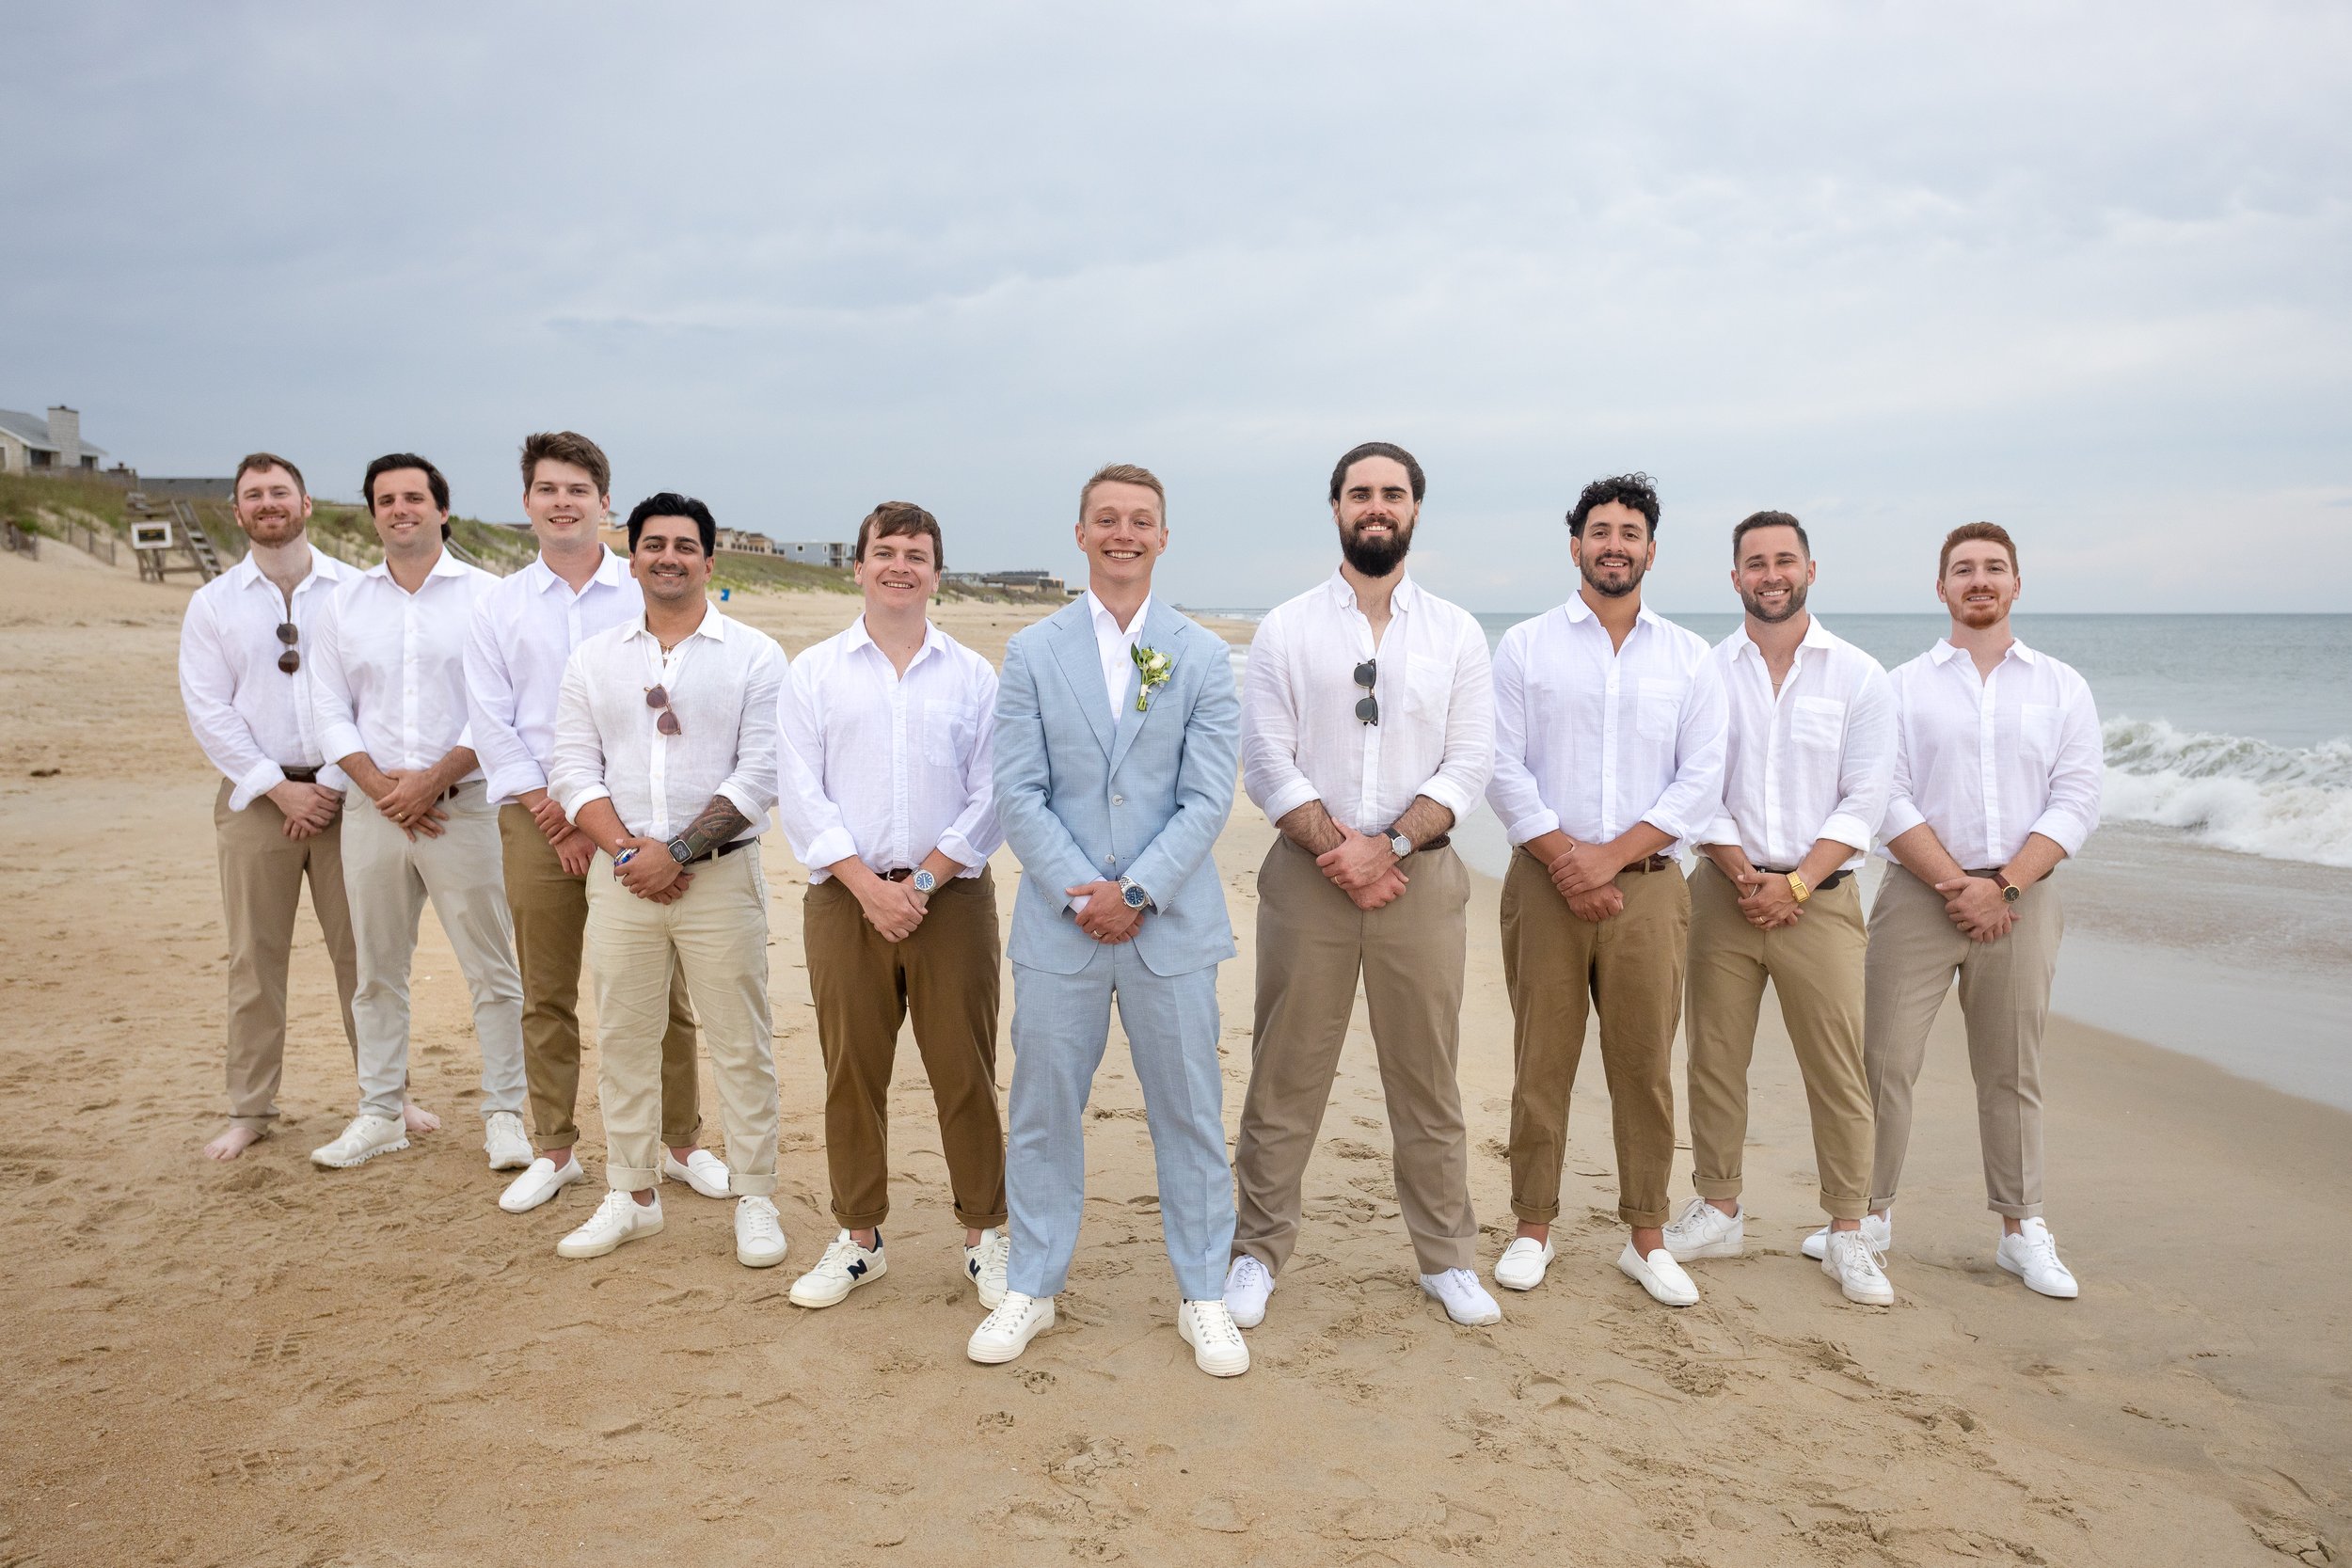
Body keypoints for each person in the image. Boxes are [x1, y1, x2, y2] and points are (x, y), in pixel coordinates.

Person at [968, 463, 1248, 1377]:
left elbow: (1208, 797)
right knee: (1043, 1109)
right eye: (1107, 519)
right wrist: (1083, 887)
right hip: (1060, 925)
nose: (1123, 533)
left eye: (1141, 520)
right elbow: (1018, 790)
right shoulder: (1032, 652)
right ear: (1081, 533)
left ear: (1163, 537)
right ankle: (1034, 1284)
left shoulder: (1200, 655)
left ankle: (1203, 1292)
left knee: (1191, 1115)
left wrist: (1137, 892)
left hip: (1169, 927)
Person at [1226, 441, 1500, 1331]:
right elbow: (1265, 756)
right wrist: (1339, 846)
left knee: (1427, 1078)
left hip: (1419, 880)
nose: (1375, 506)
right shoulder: (1288, 627)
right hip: (1309, 879)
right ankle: (1257, 1252)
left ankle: (1447, 1259)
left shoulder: (1456, 631)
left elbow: (1469, 761)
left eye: (1392, 493)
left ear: (1415, 509)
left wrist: (1389, 845)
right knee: (1284, 1074)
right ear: (1336, 508)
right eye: (1359, 493)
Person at [464, 432, 726, 1215]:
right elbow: (490, 721)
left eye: (578, 489)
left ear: (604, 502)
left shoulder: (643, 585)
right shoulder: (497, 605)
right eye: (547, 489)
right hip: (536, 819)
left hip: (640, 825)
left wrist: (605, 821)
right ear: (527, 503)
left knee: (663, 992)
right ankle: (554, 1148)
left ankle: (681, 1143)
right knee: (546, 990)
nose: (563, 502)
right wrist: (557, 809)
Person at [1837, 522, 2101, 1298]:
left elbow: (2078, 797)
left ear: (2017, 584)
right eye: (1963, 570)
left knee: (2011, 1067)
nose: (1978, 580)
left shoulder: (2062, 686)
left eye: (1993, 568)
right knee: (1884, 1059)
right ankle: (1868, 1216)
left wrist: (2005, 885)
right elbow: (1884, 794)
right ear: (1941, 588)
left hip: (2023, 899)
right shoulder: (1901, 686)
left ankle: (2022, 1229)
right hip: (1920, 894)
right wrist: (1959, 883)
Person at [1486, 472, 1726, 1307]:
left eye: (1630, 533)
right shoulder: (1525, 647)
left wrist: (1612, 856)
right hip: (1544, 885)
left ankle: (1647, 1237)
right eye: (1600, 531)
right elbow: (1501, 765)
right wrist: (1566, 860)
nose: (1614, 545)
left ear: (1650, 550)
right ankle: (1531, 1226)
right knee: (1539, 1061)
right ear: (1576, 543)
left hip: (1651, 890)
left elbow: (1700, 781)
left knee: (1644, 1066)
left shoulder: (1690, 657)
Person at [774, 501, 1009, 1309]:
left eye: (916, 554)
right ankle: (859, 1237)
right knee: (852, 1070)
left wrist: (921, 883)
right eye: (885, 552)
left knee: (965, 1071)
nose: (899, 565)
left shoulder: (974, 675)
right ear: (859, 565)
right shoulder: (813, 672)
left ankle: (986, 1236)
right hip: (846, 898)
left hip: (951, 898)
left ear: (936, 574)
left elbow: (994, 791)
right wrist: (869, 887)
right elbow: (799, 793)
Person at [546, 493, 788, 1270]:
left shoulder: (753, 654)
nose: (669, 556)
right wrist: (628, 851)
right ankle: (632, 1194)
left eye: (686, 545)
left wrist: (676, 851)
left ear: (710, 562)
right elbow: (571, 768)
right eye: (654, 544)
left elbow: (762, 771)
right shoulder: (595, 657)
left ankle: (755, 1196)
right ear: (633, 556)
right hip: (622, 879)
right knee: (623, 1036)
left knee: (739, 1041)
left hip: (719, 877)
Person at [1665, 511, 1897, 1306]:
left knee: (1837, 1070)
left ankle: (1847, 1230)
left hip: (1821, 903)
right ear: (1735, 577)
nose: (1771, 573)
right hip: (1723, 893)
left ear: (1809, 570)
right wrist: (1740, 872)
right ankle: (1719, 1207)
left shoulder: (1860, 675)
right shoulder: (1704, 670)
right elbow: (1697, 785)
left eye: (1784, 560)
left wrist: (1796, 883)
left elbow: (1866, 797)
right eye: (1755, 562)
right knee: (1715, 1056)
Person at [307, 454, 529, 1173]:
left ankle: (503, 1114)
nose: (400, 509)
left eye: (413, 497)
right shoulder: (342, 602)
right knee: (376, 970)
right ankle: (379, 1112)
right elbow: (326, 708)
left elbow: (500, 707)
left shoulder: (490, 597)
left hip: (462, 809)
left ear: (441, 509)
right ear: (372, 513)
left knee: (492, 969)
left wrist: (432, 780)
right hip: (373, 814)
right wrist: (379, 787)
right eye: (385, 499)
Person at [179, 452, 362, 1160]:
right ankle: (251, 1108)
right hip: (257, 800)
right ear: (237, 511)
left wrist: (334, 785)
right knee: (255, 960)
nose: (268, 503)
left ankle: (389, 1093)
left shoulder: (352, 591)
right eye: (253, 495)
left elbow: (368, 693)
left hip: (348, 793)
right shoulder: (214, 603)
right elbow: (208, 710)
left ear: (307, 503)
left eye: (279, 491)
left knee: (367, 956)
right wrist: (278, 786)